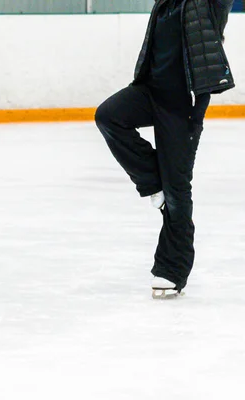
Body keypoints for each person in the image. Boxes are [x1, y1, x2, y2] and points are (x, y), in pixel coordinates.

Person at [94, 0, 235, 298]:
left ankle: (172, 270)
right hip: (150, 91)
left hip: (183, 104)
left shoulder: (210, 4)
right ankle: (151, 181)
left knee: (177, 188)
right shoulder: (166, 3)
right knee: (109, 116)